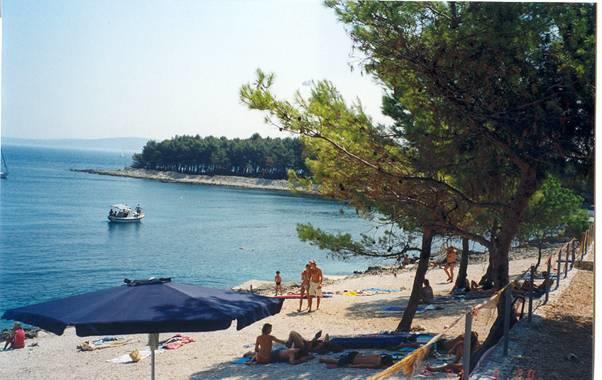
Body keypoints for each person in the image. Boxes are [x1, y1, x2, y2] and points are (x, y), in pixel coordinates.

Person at [319, 352, 394, 368]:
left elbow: (367, 354)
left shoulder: (378, 355)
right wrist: (352, 366)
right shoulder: (377, 364)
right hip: (352, 360)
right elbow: (363, 365)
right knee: (336, 361)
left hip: (355, 354)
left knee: (339, 359)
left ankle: (325, 357)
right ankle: (322, 359)